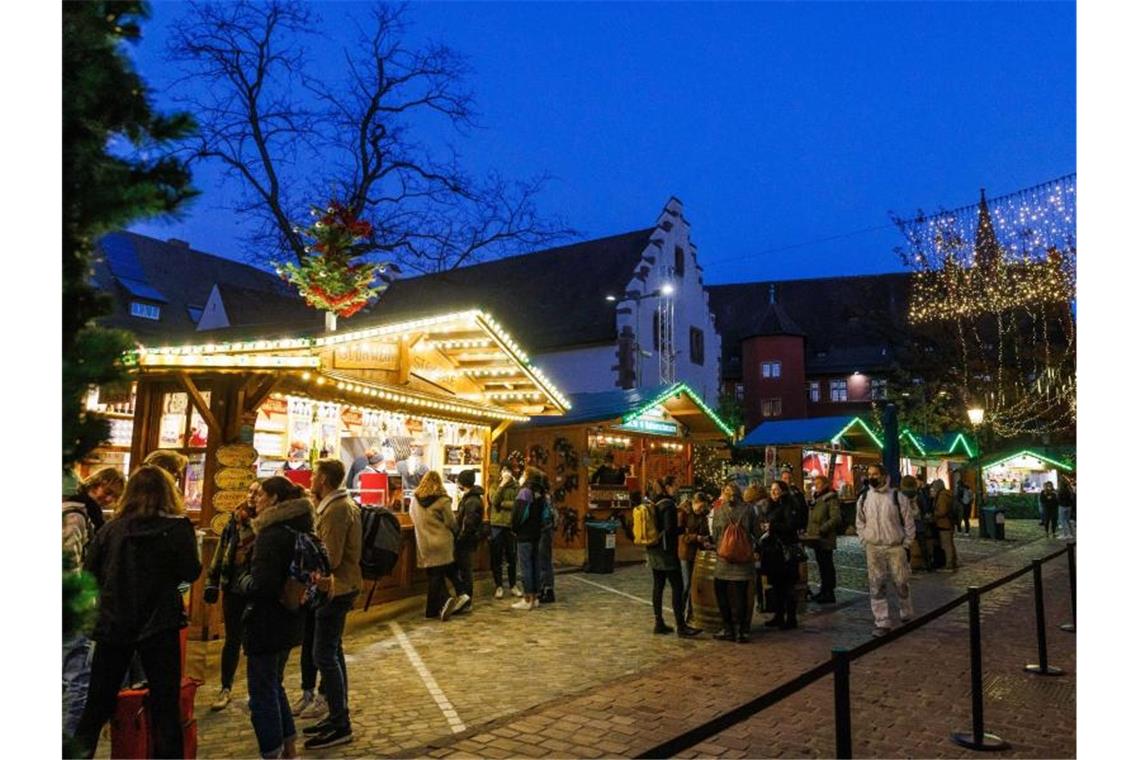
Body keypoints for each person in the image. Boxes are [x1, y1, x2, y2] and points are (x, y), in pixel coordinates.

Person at [72, 466, 201, 759]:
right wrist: (171, 587)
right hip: (160, 624)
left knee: (96, 706)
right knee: (165, 708)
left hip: (114, 623)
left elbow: (90, 573)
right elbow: (190, 572)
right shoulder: (179, 528)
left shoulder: (111, 529)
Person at [236, 476, 315, 760]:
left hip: (267, 622)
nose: (255, 499)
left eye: (261, 495)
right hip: (291, 619)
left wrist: (242, 581)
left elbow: (263, 585)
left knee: (262, 693)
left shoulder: (272, 535)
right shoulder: (299, 527)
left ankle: (271, 750)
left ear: (275, 500)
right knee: (274, 685)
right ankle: (288, 749)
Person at [295, 459, 362, 750]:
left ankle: (339, 721)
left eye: (313, 475)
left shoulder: (336, 510)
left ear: (323, 479)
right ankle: (337, 714)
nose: (310, 479)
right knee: (333, 651)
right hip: (340, 586)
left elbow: (330, 558)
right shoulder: (338, 506)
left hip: (335, 588)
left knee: (323, 655)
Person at [63, 467, 126, 739]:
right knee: (78, 680)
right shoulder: (77, 516)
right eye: (107, 491)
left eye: (114, 496)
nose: (108, 499)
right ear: (95, 483)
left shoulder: (77, 511)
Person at [203, 479, 259, 712]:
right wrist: (212, 581)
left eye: (257, 493)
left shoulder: (267, 523)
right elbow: (221, 551)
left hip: (256, 588)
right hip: (233, 586)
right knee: (232, 639)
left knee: (254, 641)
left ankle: (255, 690)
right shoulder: (235, 520)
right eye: (250, 491)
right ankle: (225, 687)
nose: (252, 496)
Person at [855, 464, 915, 637]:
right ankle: (881, 620)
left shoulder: (897, 496)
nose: (872, 477)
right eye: (869, 474)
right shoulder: (865, 497)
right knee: (876, 584)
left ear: (884, 476)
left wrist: (907, 543)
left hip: (895, 546)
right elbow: (860, 521)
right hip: (873, 547)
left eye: (875, 474)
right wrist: (864, 539)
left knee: (901, 581)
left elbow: (908, 520)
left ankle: (906, 610)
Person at [409, 471, 469, 620]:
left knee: (435, 573)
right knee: (438, 574)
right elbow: (451, 522)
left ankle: (444, 603)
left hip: (424, 542)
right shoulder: (443, 500)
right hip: (442, 542)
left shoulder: (414, 500)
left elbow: (412, 516)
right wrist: (457, 533)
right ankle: (444, 602)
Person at [646, 479, 702, 637]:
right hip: (666, 552)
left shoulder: (654, 501)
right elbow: (670, 530)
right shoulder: (668, 505)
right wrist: (682, 529)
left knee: (658, 586)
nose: (678, 489)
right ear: (668, 487)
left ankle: (659, 622)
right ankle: (681, 626)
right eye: (676, 486)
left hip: (653, 549)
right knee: (677, 587)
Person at [710, 483, 761, 643]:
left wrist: (721, 546)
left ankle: (728, 629)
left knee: (722, 593)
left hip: (724, 559)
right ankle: (742, 631)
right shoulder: (749, 509)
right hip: (744, 560)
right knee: (742, 595)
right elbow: (757, 532)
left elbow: (716, 535)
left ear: (725, 494)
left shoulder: (719, 510)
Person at [762, 480, 803, 629]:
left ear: (783, 491)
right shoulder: (772, 505)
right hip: (774, 551)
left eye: (776, 489)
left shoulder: (788, 505)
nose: (773, 492)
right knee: (777, 585)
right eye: (772, 489)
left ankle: (791, 618)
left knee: (788, 585)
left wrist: (772, 526)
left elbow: (792, 525)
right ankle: (779, 616)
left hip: (785, 550)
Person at [511, 467, 549, 611]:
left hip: (524, 533)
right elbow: (545, 515)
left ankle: (527, 598)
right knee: (535, 565)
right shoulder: (541, 492)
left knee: (525, 566)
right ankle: (535, 596)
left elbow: (519, 514)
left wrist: (514, 528)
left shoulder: (525, 492)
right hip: (536, 533)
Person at [805, 474, 843, 604]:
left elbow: (836, 518)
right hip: (816, 538)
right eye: (815, 483)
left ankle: (829, 592)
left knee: (827, 565)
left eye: (819, 483)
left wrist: (822, 529)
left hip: (825, 538)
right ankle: (823, 590)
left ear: (826, 484)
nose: (816, 486)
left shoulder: (830, 498)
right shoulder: (817, 498)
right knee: (821, 565)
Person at [489, 466, 523, 599]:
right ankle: (498, 586)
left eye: (508, 470)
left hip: (510, 525)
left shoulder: (516, 487)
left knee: (512, 557)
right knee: (496, 557)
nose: (506, 473)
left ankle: (513, 585)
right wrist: (502, 485)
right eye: (504, 471)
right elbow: (494, 501)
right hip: (496, 525)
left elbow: (517, 504)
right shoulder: (495, 486)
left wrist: (503, 504)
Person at [677, 492, 711, 622]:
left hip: (698, 553)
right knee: (686, 585)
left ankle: (691, 614)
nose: (702, 509)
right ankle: (680, 613)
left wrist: (706, 540)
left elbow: (705, 531)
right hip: (685, 553)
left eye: (704, 507)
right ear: (694, 503)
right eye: (700, 507)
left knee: (694, 585)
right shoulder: (684, 513)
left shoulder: (703, 516)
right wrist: (696, 537)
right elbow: (682, 536)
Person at [454, 469, 485, 611]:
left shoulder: (471, 501)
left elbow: (469, 524)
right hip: (468, 540)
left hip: (466, 541)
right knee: (464, 570)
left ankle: (466, 601)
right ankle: (465, 599)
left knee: (465, 571)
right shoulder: (471, 498)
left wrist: (459, 539)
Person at [931, 478, 958, 572]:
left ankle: (949, 563)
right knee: (950, 543)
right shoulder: (948, 494)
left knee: (946, 544)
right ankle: (953, 561)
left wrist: (934, 514)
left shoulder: (942, 496)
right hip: (949, 522)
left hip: (943, 523)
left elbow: (942, 511)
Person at [1058, 476, 1076, 541]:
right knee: (1067, 520)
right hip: (1069, 506)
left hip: (1062, 506)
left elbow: (1059, 498)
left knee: (1062, 521)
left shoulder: (1061, 490)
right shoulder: (1069, 489)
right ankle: (1070, 534)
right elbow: (1072, 498)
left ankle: (1064, 534)